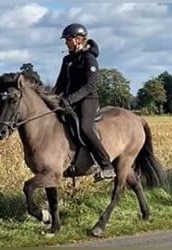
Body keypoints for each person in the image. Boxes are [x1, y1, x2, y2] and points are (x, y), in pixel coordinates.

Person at [53, 23, 116, 181]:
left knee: (85, 128)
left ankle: (106, 165)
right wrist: (51, 99)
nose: (65, 43)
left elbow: (90, 86)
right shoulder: (67, 60)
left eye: (67, 39)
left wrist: (69, 99)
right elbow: (60, 83)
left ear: (77, 40)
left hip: (88, 100)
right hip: (69, 101)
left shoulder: (89, 59)